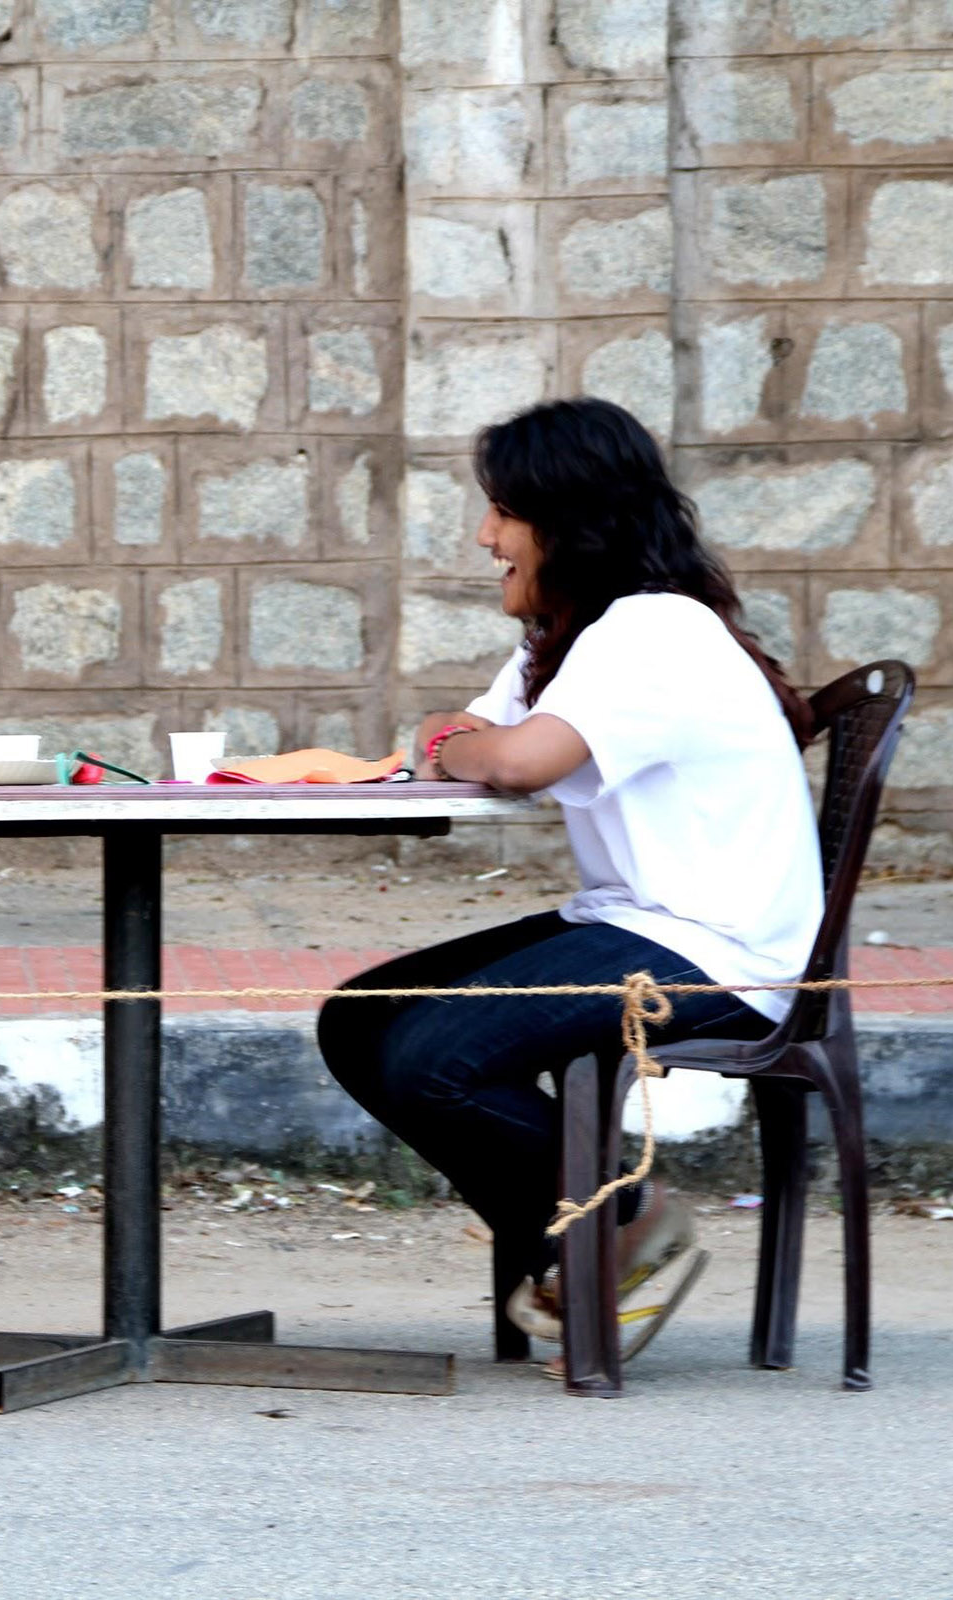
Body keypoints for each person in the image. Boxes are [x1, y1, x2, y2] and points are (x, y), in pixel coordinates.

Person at [316, 397, 822, 1369]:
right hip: (641, 924)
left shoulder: (654, 631)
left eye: (504, 511)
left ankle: (625, 1224)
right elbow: (456, 736)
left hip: (715, 949)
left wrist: (469, 745)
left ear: (571, 519)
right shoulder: (581, 635)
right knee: (365, 1017)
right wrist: (465, 742)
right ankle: (590, 1245)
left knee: (431, 1060)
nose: (485, 536)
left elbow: (511, 758)